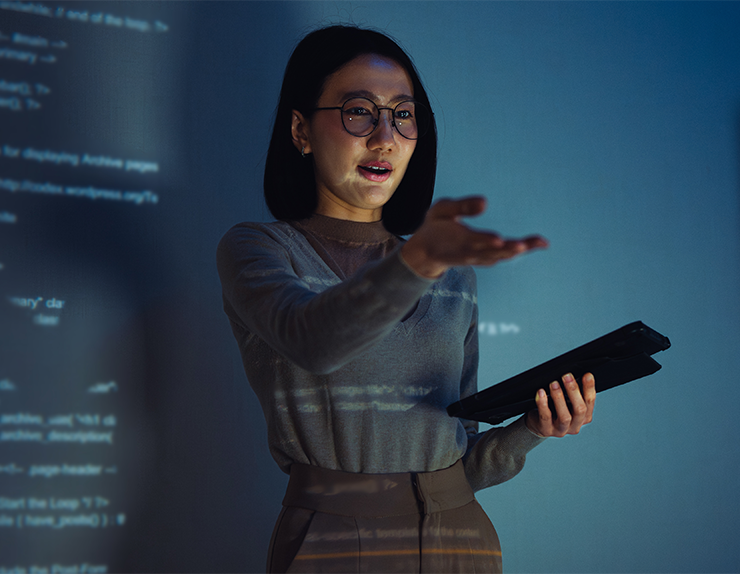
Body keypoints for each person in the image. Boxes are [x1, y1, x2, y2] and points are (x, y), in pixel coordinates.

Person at [216, 25, 596, 574]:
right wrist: (419, 261)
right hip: (333, 542)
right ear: (300, 130)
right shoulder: (259, 248)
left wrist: (532, 430)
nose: (384, 137)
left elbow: (457, 463)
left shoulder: (451, 272)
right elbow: (314, 341)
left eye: (402, 113)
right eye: (358, 111)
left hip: (462, 539)